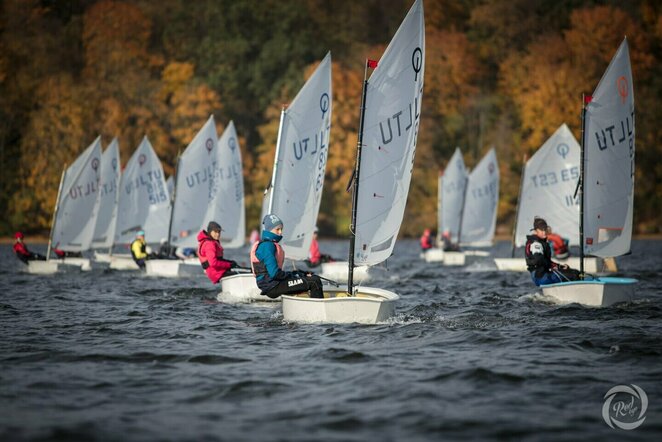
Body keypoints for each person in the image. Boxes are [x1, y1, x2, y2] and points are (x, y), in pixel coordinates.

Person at [251, 214, 324, 299]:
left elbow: (277, 274)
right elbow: (275, 274)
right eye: (277, 229)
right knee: (314, 281)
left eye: (281, 229)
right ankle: (318, 310)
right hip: (273, 287)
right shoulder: (267, 246)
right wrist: (294, 276)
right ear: (269, 230)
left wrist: (298, 274)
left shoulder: (268, 245)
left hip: (274, 284)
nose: (280, 232)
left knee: (311, 277)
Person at [525, 217, 580, 286]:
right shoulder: (536, 244)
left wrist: (559, 266)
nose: (544, 232)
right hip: (540, 276)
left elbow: (545, 261)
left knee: (572, 272)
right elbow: (539, 260)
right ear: (536, 231)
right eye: (541, 230)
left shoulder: (540, 242)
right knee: (575, 274)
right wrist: (554, 267)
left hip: (541, 274)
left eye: (545, 229)